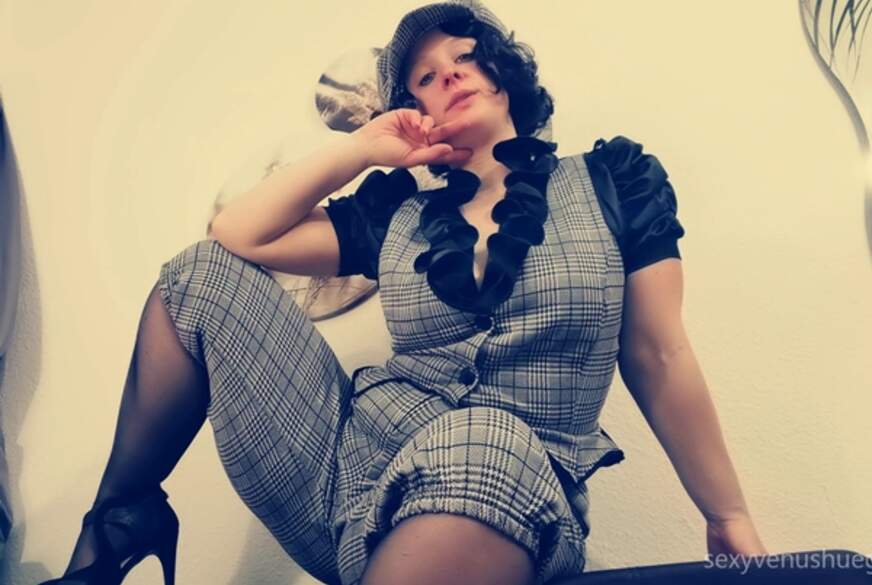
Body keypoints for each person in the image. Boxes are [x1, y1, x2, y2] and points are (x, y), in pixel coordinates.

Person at [40, 1, 768, 584]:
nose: (447, 74)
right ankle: (117, 523)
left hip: (510, 485)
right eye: (423, 76)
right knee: (199, 274)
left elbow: (660, 354)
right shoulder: (395, 212)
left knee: (485, 434)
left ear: (505, 70)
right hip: (346, 473)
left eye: (464, 56)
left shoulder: (614, 181)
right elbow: (238, 234)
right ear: (410, 108)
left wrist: (727, 514)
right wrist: (360, 151)